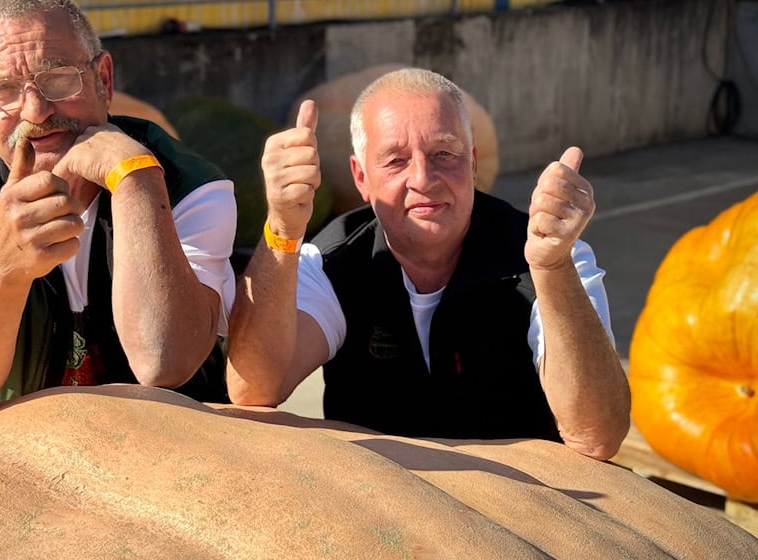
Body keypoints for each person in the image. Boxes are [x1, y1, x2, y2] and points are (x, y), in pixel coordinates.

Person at [227, 68, 630, 460]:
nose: (423, 177)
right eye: (395, 160)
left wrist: (552, 269)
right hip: (388, 511)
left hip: (527, 513)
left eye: (443, 153)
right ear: (361, 177)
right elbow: (254, 390)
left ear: (472, 162)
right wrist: (281, 227)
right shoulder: (333, 261)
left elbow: (597, 436)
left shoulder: (551, 258)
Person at [0, 0, 236, 432]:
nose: (35, 112)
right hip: (11, 458)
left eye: (57, 78)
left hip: (163, 450)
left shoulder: (189, 185)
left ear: (103, 79)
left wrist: (136, 181)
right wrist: (0, 266)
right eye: (3, 90)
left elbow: (163, 363)